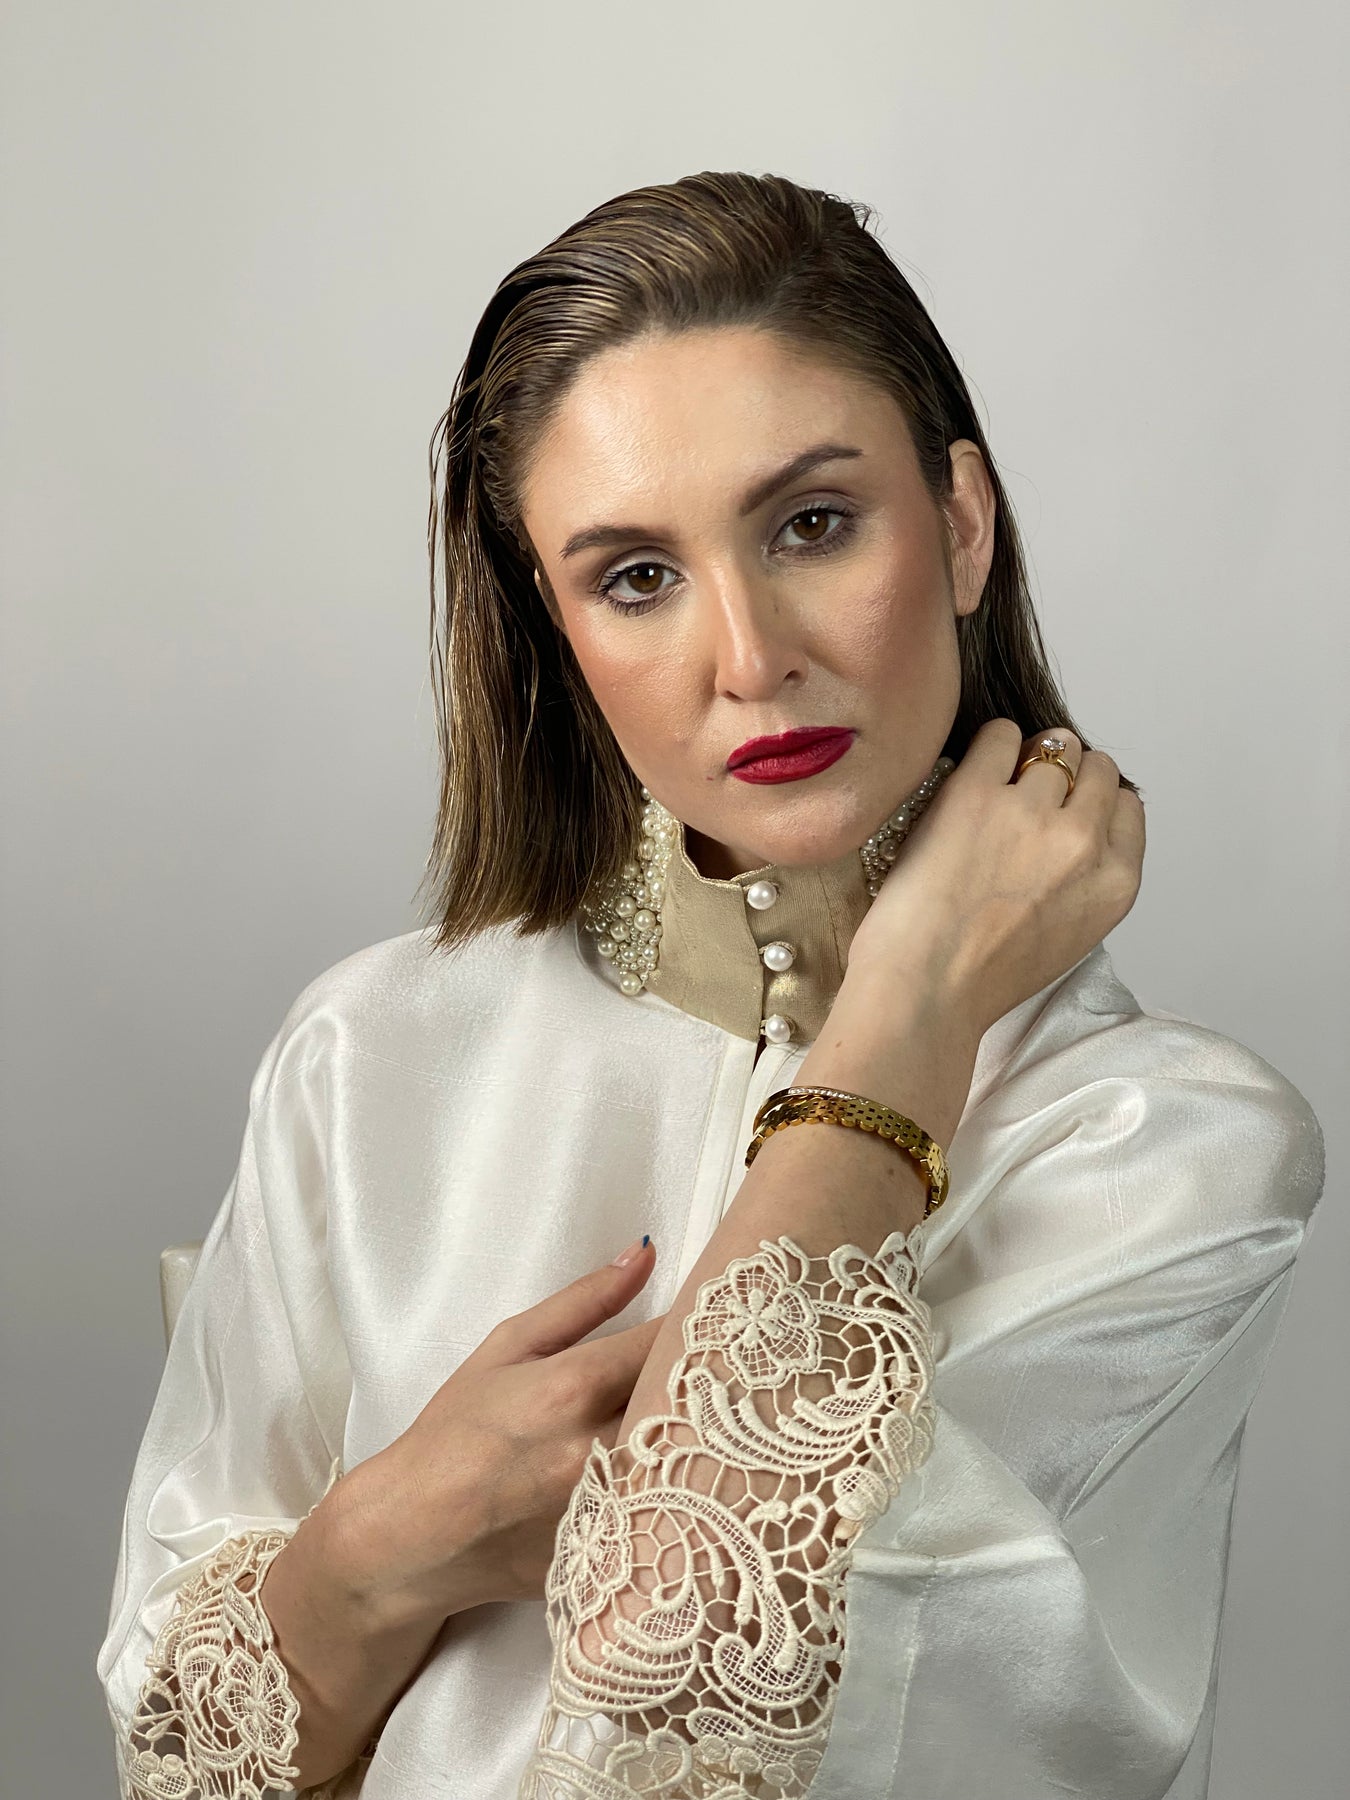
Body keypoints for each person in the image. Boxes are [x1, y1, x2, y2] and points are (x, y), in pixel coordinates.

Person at [96, 171, 1325, 1800]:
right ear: (554, 623)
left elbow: (676, 1708)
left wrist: (896, 1031)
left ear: (962, 523)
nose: (747, 658)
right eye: (634, 576)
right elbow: (178, 1766)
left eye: (811, 524)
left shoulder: (1160, 1149)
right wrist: (397, 1534)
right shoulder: (367, 1052)